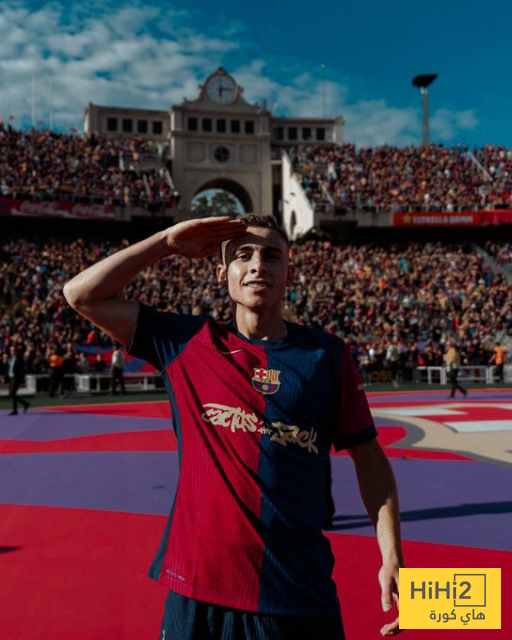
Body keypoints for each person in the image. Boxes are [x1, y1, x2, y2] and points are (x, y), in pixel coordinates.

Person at [64, 215, 403, 639]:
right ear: (222, 273)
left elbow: (368, 455)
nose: (258, 265)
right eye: (243, 255)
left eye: (272, 256)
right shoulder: (185, 342)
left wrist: (392, 553)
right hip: (197, 591)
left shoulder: (327, 355)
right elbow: (80, 295)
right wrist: (166, 242)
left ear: (289, 272)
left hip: (297, 590)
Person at [6, 346, 30, 415]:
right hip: (11, 378)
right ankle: (23, 405)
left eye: (13, 350)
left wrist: (20, 376)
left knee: (12, 393)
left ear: (16, 351)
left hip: (16, 378)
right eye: (11, 350)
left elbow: (22, 369)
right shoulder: (10, 359)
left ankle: (17, 409)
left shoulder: (19, 359)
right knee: (12, 394)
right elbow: (8, 368)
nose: (12, 351)